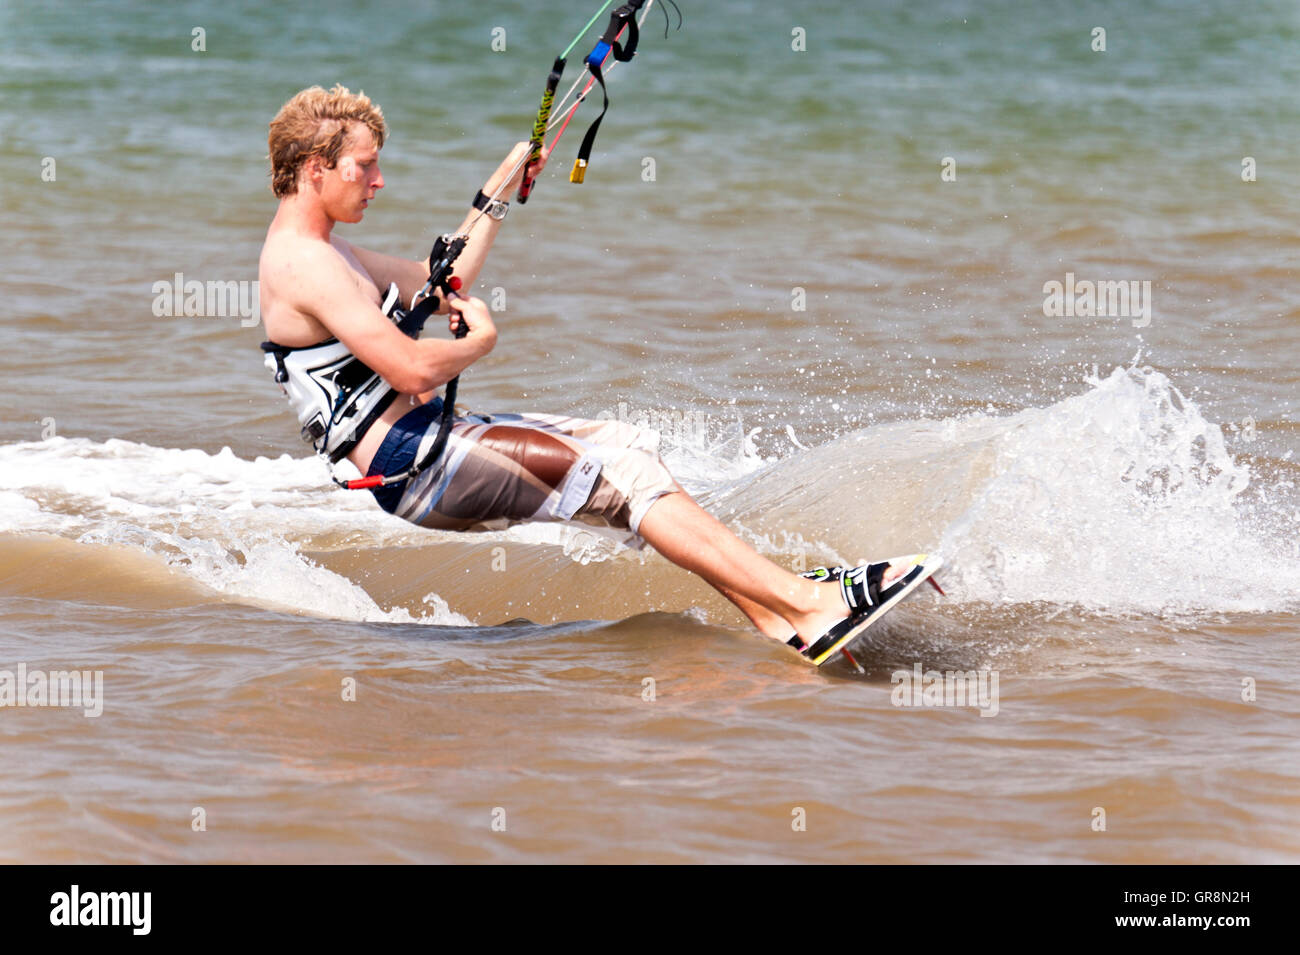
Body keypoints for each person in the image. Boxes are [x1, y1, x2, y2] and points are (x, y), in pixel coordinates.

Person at [257, 84, 914, 663]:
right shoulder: (302, 264)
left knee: (627, 448)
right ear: (317, 169)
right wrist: (479, 343)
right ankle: (808, 602)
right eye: (365, 166)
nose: (377, 181)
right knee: (620, 478)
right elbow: (408, 361)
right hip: (414, 464)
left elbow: (440, 282)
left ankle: (778, 617)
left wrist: (502, 186)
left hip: (428, 437)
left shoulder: (326, 250)